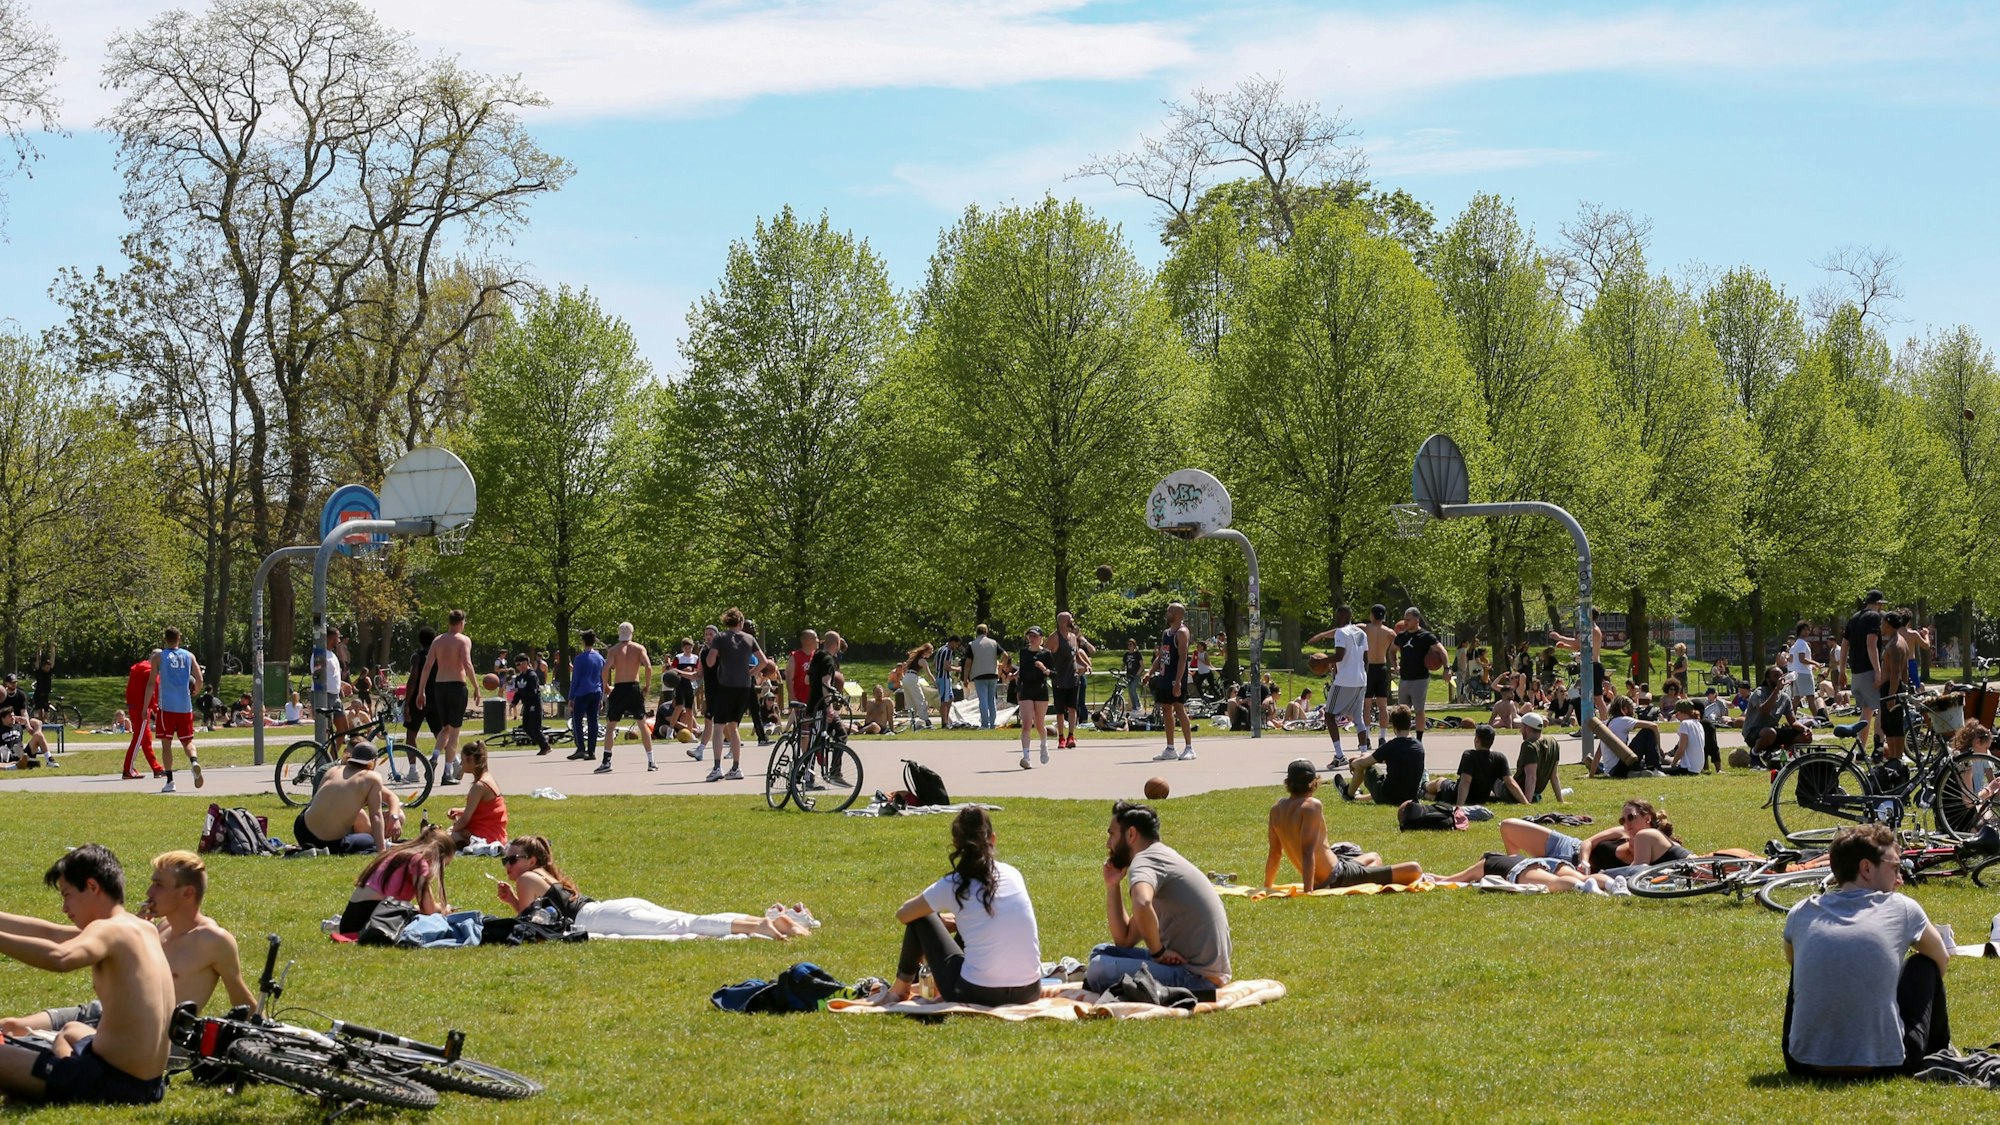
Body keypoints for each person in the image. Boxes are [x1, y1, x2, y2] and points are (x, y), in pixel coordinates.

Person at [1, 851, 258, 1045]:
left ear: (187, 893)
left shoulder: (213, 940)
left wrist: (261, 1036)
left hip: (142, 1038)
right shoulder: (157, 927)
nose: (149, 891)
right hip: (102, 1011)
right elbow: (58, 934)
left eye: (159, 885)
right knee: (10, 1026)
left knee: (24, 1043)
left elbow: (243, 1003)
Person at [0, 846, 172, 1105]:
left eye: (67, 895)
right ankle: (54, 1077)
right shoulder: (141, 927)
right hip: (150, 1083)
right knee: (70, 1030)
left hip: (112, 1082)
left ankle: (56, 1081)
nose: (64, 908)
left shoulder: (108, 930)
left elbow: (60, 957)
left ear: (92, 886)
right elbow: (52, 934)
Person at [1782, 824, 1952, 1075]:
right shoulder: (1902, 908)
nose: (1900, 878)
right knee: (1924, 965)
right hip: (1887, 1064)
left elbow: (1792, 961)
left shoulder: (1801, 912)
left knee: (1806, 965)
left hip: (1804, 1064)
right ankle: (1940, 1050)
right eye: (1895, 868)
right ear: (1866, 868)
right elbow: (1941, 959)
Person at [494, 835, 811, 940]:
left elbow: (528, 924)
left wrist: (510, 900)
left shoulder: (526, 879)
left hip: (596, 919)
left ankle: (762, 926)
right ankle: (766, 923)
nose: (508, 866)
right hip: (611, 907)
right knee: (685, 918)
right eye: (505, 860)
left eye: (512, 859)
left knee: (682, 924)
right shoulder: (546, 876)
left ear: (532, 859)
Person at [876, 808, 1043, 1005]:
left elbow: (904, 914)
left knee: (922, 917)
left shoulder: (954, 884)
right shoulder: (1013, 874)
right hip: (1029, 991)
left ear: (956, 844)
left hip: (978, 994)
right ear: (993, 839)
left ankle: (900, 990)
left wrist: (938, 918)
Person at [1085, 801, 1231, 994]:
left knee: (1099, 968)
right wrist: (1113, 885)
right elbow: (1125, 940)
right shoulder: (1159, 857)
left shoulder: (1144, 861)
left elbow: (1143, 903)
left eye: (1112, 834)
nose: (1108, 844)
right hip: (1206, 971)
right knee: (1101, 952)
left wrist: (1158, 952)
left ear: (1131, 834)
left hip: (1197, 977)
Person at [1266, 760, 1422, 892]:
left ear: (1288, 782)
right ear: (1314, 782)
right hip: (1337, 877)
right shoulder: (1311, 806)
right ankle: (1367, 878)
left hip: (1336, 869)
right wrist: (1308, 891)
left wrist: (1267, 887)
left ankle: (1367, 877)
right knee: (1414, 869)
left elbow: (1275, 853)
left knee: (1374, 857)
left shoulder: (1276, 809)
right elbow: (1308, 852)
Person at [337, 825, 456, 936]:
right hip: (371, 921)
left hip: (351, 919)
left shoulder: (402, 854)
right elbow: (428, 910)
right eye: (444, 865)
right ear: (437, 856)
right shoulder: (419, 862)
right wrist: (443, 909)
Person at [416, 609, 480, 785]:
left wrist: (421, 690)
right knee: (454, 732)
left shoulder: (438, 641)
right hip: (456, 686)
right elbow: (467, 663)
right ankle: (447, 773)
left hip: (439, 686)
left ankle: (435, 757)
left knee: (444, 729)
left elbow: (427, 667)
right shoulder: (463, 640)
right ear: (461, 623)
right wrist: (476, 686)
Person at [294, 742, 393, 854]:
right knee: (369, 840)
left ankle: (308, 848)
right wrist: (381, 850)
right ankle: (321, 849)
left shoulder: (333, 770)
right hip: (329, 842)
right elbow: (376, 815)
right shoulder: (373, 778)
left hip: (302, 830)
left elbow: (316, 801)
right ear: (374, 761)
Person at [1307, 605, 1370, 767]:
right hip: (1361, 679)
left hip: (1344, 681)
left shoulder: (1341, 633)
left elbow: (1340, 656)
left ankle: (1340, 755)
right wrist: (1363, 675)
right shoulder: (1362, 634)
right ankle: (1364, 754)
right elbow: (1366, 659)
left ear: (1342, 616)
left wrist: (1322, 661)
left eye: (1337, 616)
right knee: (1358, 717)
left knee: (1329, 715)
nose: (1336, 619)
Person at [703, 608, 760, 782]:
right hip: (744, 686)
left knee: (719, 726)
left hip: (726, 685)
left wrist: (718, 653)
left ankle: (717, 767)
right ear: (741, 622)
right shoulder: (750, 639)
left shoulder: (720, 637)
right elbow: (764, 661)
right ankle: (736, 767)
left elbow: (710, 662)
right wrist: (750, 673)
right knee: (733, 726)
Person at [147, 627, 204, 793]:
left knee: (166, 744)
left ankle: (170, 780)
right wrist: (195, 691)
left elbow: (151, 683)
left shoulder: (159, 657)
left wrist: (146, 706)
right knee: (187, 741)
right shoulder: (189, 655)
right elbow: (199, 679)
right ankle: (194, 761)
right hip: (185, 706)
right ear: (179, 639)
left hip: (167, 707)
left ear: (165, 639)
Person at [1334, 704, 1426, 805]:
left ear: (1393, 726)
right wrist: (1361, 757)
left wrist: (1354, 763)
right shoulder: (1419, 746)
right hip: (1410, 797)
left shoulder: (1391, 746)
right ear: (1410, 723)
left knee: (1368, 767)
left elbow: (1362, 764)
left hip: (1388, 796)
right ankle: (1358, 797)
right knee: (1374, 766)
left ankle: (1348, 794)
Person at [1426, 723, 1528, 807]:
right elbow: (1510, 783)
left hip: (1455, 795)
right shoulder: (1499, 758)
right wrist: (1525, 802)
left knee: (1440, 781)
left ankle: (1423, 786)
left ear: (1477, 740)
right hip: (1479, 798)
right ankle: (1426, 794)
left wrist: (1459, 806)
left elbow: (1465, 782)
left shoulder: (1469, 755)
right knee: (1435, 793)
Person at [1577, 799, 1687, 876]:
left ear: (1647, 819)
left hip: (1584, 872)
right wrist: (1583, 861)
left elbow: (1635, 872)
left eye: (1631, 817)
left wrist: (1603, 875)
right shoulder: (1622, 832)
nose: (1626, 824)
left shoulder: (1648, 839)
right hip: (1575, 851)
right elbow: (1588, 842)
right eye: (1623, 820)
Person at [602, 623, 655, 773]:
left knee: (611, 725)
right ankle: (651, 761)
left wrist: (605, 685)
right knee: (642, 724)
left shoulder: (614, 650)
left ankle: (606, 761)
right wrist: (647, 685)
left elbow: (605, 669)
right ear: (632, 633)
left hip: (619, 688)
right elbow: (648, 666)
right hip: (633, 687)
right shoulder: (638, 648)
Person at [1151, 602, 1195, 762]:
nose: (1166, 613)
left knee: (1179, 708)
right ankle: (1170, 748)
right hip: (1164, 676)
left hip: (1176, 677)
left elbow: (1183, 658)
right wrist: (1150, 672)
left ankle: (1189, 747)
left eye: (1169, 611)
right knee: (1166, 709)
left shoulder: (1182, 633)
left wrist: (1178, 682)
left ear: (1177, 615)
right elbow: (1162, 654)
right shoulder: (1166, 633)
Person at [1742, 666, 1811, 765]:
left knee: (1803, 737)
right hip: (1754, 733)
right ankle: (1754, 754)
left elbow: (1793, 722)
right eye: (1775, 676)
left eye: (1781, 676)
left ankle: (1774, 753)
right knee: (1770, 732)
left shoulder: (1784, 698)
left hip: (1772, 732)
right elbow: (1763, 711)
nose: (1780, 679)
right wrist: (1776, 690)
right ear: (1767, 679)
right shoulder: (1759, 692)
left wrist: (1805, 729)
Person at [1394, 608, 1446, 738]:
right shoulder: (1401, 636)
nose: (1405, 622)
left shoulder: (1426, 636)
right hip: (1405, 678)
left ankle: (1419, 739)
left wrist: (1447, 668)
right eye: (1404, 619)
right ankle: (1402, 737)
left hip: (1420, 678)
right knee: (1402, 710)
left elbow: (1441, 651)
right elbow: (1391, 650)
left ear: (1417, 620)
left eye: (1408, 620)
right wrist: (1395, 664)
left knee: (1419, 710)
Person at [1846, 590, 1888, 751]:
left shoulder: (1854, 618)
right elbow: (1871, 644)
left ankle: (1861, 749)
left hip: (1856, 671)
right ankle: (1878, 747)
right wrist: (1878, 671)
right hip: (1869, 669)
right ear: (1879, 604)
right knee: (1883, 707)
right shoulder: (1874, 617)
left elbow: (1844, 645)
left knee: (1867, 711)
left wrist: (1843, 670)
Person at [445, 741, 507, 849]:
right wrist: (460, 810)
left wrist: (450, 831)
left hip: (487, 837)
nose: (460, 764)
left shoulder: (479, 786)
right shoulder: (488, 778)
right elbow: (485, 810)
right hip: (497, 834)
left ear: (471, 760)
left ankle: (464, 844)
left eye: (462, 760)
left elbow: (465, 820)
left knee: (447, 836)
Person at [1051, 612, 1096, 750]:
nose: (1072, 620)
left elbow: (1076, 655)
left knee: (1072, 708)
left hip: (1073, 678)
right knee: (1059, 711)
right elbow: (1045, 654)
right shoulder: (1054, 637)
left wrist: (1086, 664)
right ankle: (1061, 738)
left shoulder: (1073, 638)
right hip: (1059, 679)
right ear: (1063, 622)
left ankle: (1071, 736)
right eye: (1070, 619)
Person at [1549, 608, 1608, 711]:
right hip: (1589, 666)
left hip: (1594, 666)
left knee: (1597, 699)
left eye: (1582, 615)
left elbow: (1577, 643)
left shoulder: (1592, 629)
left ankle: (1605, 722)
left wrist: (1559, 637)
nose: (1580, 618)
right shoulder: (1591, 629)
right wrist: (1565, 646)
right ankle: (1588, 722)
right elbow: (1581, 646)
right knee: (1587, 697)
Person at [1878, 609, 1913, 769]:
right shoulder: (1898, 641)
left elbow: (1896, 672)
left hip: (1892, 690)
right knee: (1888, 725)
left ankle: (1896, 759)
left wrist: (1892, 696)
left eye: (1883, 623)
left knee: (1894, 725)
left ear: (1889, 625)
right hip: (1892, 688)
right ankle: (1893, 758)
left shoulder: (1896, 645)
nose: (1881, 626)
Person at [119, 654, 163, 780]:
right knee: (138, 740)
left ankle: (156, 768)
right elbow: (152, 692)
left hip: (134, 706)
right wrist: (155, 709)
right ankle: (128, 769)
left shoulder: (138, 668)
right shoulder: (151, 671)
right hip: (142, 709)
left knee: (146, 740)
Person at [1360, 605, 1396, 751]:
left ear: (1371, 615)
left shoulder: (1364, 628)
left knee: (1366, 706)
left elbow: (1345, 630)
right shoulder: (1390, 633)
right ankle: (1382, 737)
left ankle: (1367, 737)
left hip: (1369, 668)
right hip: (1382, 668)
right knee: (1383, 706)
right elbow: (1398, 647)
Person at [1015, 626, 1052, 769]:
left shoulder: (1046, 654)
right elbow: (1023, 671)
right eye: (1030, 636)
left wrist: (1044, 669)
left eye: (1035, 636)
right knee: (1026, 725)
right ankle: (1026, 757)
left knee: (1039, 724)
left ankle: (1044, 744)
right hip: (1026, 690)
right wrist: (1016, 679)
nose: (1032, 639)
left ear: (1041, 638)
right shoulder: (1024, 653)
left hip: (1041, 690)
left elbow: (1053, 674)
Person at [567, 630, 605, 763]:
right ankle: (592, 751)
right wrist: (602, 696)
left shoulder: (579, 659)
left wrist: (571, 697)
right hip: (596, 692)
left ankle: (581, 748)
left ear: (583, 642)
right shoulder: (600, 658)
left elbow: (575, 679)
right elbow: (603, 678)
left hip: (582, 692)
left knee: (577, 720)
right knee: (593, 721)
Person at [1513, 712, 1564, 803]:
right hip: (1536, 792)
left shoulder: (1529, 746)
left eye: (1522, 727)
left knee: (1497, 781)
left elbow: (1531, 776)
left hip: (1518, 792)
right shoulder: (1553, 742)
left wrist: (1527, 801)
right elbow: (1554, 775)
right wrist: (1560, 800)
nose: (1520, 730)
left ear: (1527, 729)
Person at [510, 652, 550, 755]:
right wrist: (514, 702)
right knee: (526, 727)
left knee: (534, 727)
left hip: (534, 704)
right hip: (526, 704)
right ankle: (542, 741)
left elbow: (533, 691)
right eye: (517, 665)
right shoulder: (519, 678)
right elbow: (518, 692)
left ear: (525, 663)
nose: (518, 667)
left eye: (520, 664)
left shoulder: (532, 675)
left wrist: (521, 691)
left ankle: (545, 746)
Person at [967, 624, 1003, 730]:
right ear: (987, 632)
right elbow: (1005, 654)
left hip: (979, 675)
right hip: (993, 673)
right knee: (991, 699)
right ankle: (993, 723)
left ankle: (984, 723)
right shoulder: (994, 643)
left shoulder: (972, 644)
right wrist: (1001, 667)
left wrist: (966, 677)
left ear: (976, 632)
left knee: (982, 700)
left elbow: (968, 662)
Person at [932, 637, 961, 729]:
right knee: (944, 701)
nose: (957, 647)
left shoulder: (941, 649)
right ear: (953, 642)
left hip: (940, 677)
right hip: (944, 677)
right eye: (957, 644)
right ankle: (944, 722)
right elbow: (946, 666)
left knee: (950, 698)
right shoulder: (948, 651)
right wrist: (958, 669)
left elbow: (934, 663)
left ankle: (946, 719)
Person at [1788, 623, 1820, 704]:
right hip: (1804, 673)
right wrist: (1815, 663)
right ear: (1800, 631)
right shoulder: (1802, 643)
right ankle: (1817, 717)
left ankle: (1792, 716)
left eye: (1808, 630)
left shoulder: (1795, 644)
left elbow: (1795, 660)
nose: (1807, 632)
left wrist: (1811, 665)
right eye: (1804, 630)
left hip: (1797, 673)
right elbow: (1802, 659)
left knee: (1796, 698)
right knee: (1810, 697)